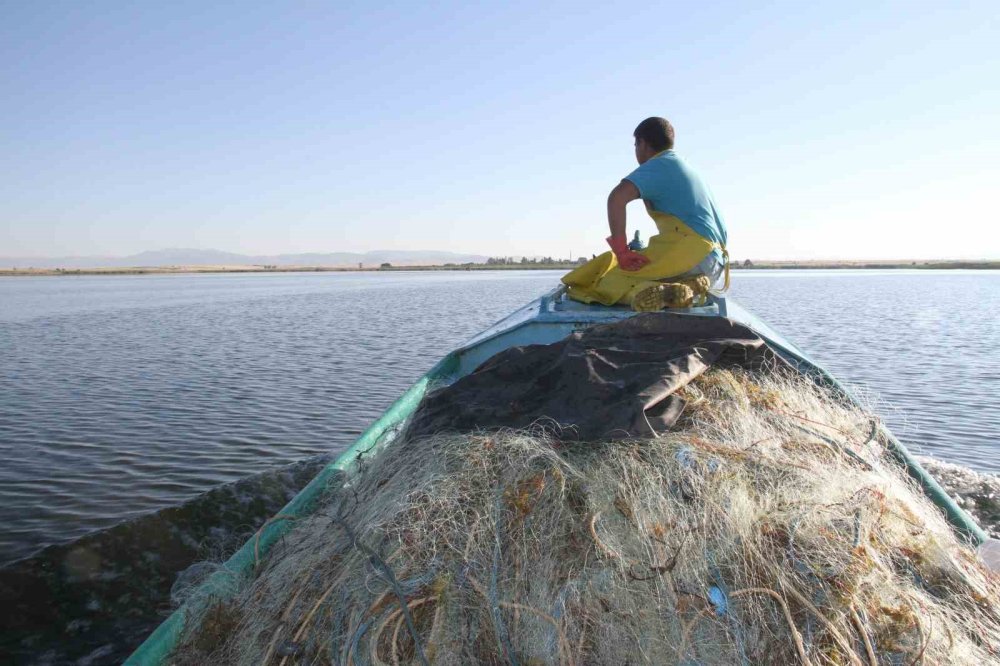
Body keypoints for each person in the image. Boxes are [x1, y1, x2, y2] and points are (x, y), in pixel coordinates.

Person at [561, 117, 729, 311]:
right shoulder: (686, 167)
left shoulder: (659, 165)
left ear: (642, 143)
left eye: (635, 145)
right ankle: (691, 287)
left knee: (605, 281)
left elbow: (616, 199)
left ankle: (658, 291)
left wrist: (622, 252)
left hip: (693, 257)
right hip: (715, 265)